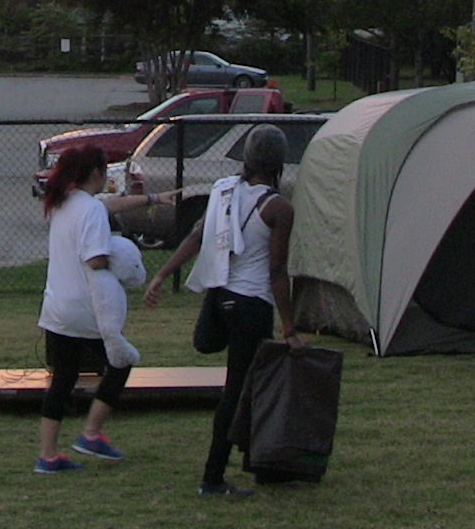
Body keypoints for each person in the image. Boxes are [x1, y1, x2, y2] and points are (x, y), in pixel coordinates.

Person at [145, 124, 304, 498]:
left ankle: (260, 463)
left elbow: (196, 237)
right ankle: (213, 477)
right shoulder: (278, 208)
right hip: (252, 304)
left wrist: (163, 274)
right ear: (279, 163)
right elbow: (277, 272)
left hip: (221, 298)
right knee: (239, 391)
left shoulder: (222, 191)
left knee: (246, 385)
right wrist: (290, 328)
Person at [34, 145, 173, 475]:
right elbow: (95, 260)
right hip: (86, 311)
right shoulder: (90, 212)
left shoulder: (62, 203)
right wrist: (124, 259)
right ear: (96, 173)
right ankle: (91, 433)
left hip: (56, 308)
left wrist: (152, 199)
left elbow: (108, 206)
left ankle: (48, 456)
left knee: (63, 380)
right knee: (121, 363)